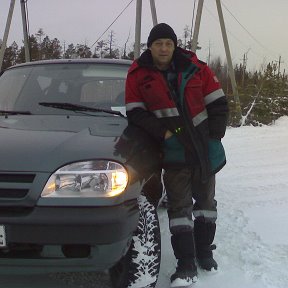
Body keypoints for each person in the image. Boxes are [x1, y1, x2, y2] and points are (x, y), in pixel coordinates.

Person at [125, 23, 228, 287]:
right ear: (149, 46)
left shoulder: (197, 68)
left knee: (206, 206)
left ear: (175, 46)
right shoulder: (138, 74)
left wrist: (215, 136)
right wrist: (164, 134)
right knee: (179, 209)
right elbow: (136, 113)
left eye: (168, 43)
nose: (163, 48)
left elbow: (218, 103)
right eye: (158, 43)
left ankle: (205, 253)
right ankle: (185, 264)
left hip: (204, 151)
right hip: (173, 154)